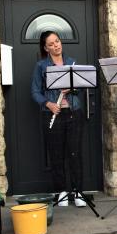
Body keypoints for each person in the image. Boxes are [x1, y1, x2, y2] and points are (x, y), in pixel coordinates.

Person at [31, 31, 85, 207]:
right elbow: (35, 91)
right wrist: (48, 104)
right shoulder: (41, 66)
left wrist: (73, 89)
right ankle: (61, 191)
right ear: (46, 48)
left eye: (57, 41)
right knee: (56, 154)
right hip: (52, 114)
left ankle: (77, 192)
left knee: (75, 153)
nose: (56, 45)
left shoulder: (72, 63)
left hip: (73, 113)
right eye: (51, 44)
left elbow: (81, 88)